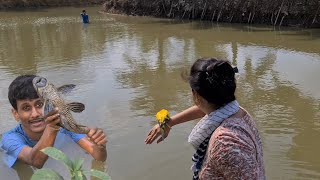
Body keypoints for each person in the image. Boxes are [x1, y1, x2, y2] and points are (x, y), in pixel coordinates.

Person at [145, 58, 265, 179]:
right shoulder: (238, 112)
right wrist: (170, 122)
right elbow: (207, 107)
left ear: (196, 96)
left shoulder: (225, 143)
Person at [0, 75, 107, 168]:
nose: (35, 114)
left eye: (39, 104)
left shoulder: (64, 127)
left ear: (49, 104)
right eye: (26, 108)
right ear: (16, 114)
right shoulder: (10, 138)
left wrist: (100, 146)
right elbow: (36, 162)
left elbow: (98, 157)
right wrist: (52, 127)